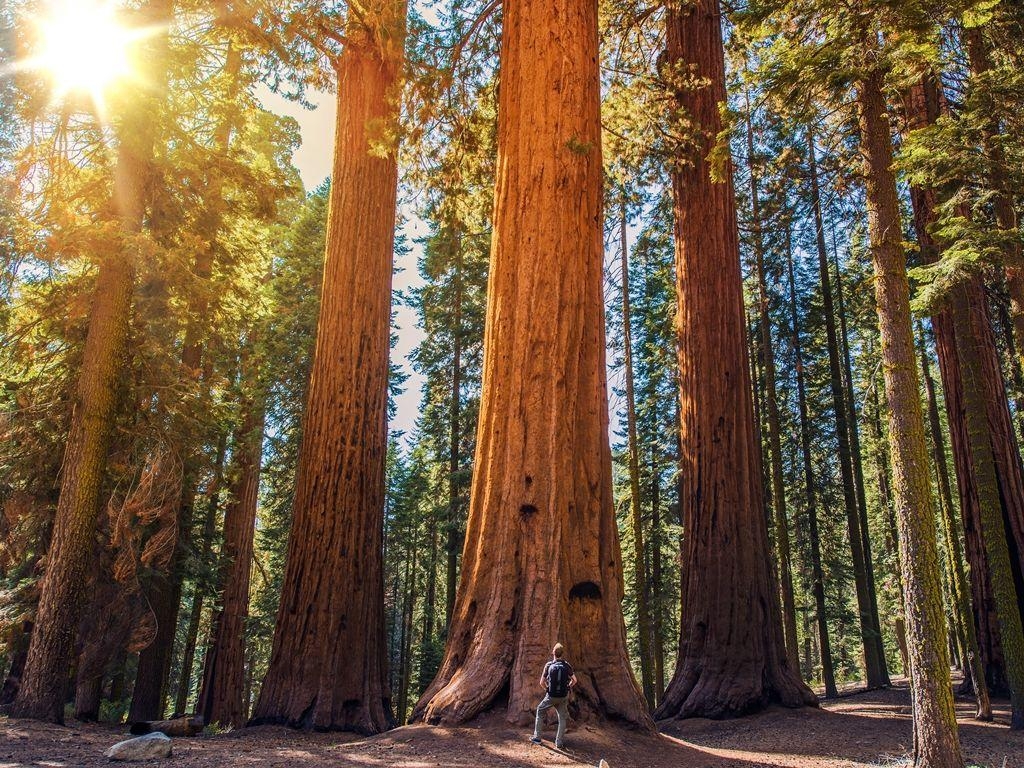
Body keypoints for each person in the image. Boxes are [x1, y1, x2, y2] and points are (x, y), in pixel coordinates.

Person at [530, 643, 577, 749]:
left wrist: (547, 689)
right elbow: (575, 680)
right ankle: (559, 742)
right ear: (562, 654)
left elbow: (542, 682)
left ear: (553, 653)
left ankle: (537, 737)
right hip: (563, 696)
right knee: (562, 717)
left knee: (540, 710)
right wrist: (568, 687)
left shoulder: (548, 665)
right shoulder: (566, 665)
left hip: (551, 696)